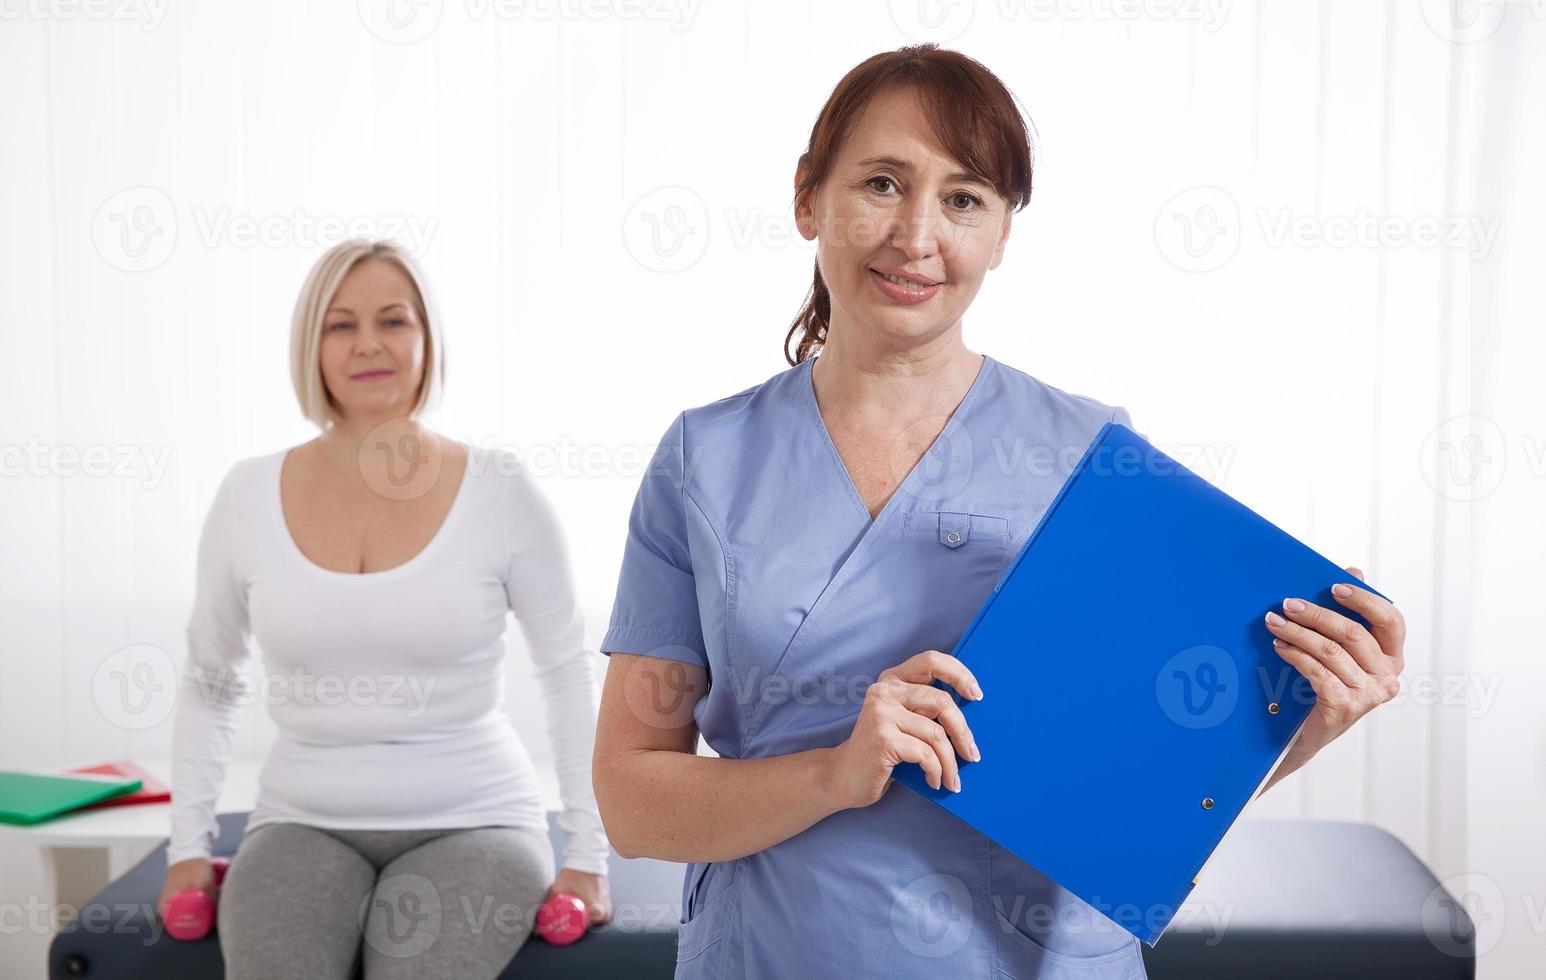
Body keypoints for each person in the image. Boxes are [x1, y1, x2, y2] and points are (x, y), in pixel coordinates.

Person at [591, 44, 1407, 979]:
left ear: (1003, 233)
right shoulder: (705, 459)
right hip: (781, 950)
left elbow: (1143, 792)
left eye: (965, 198)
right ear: (808, 198)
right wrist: (832, 773)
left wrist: (1304, 724)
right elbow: (632, 799)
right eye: (882, 183)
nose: (917, 234)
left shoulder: (1093, 458)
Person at [160, 240, 613, 980]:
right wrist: (185, 851)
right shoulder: (246, 494)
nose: (368, 344)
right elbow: (210, 680)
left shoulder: (500, 489)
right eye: (341, 325)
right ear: (312, 345)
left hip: (478, 823)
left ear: (426, 338)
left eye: (393, 321)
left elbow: (566, 672)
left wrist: (590, 858)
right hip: (300, 823)